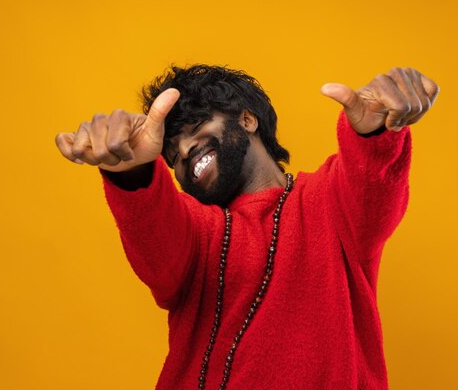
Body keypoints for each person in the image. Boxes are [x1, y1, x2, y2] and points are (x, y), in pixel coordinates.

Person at [55, 65, 439, 390]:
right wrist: (133, 172)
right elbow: (157, 239)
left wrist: (374, 135)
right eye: (172, 157)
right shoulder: (196, 232)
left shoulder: (330, 201)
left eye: (197, 126)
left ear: (247, 119)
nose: (184, 153)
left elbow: (372, 182)